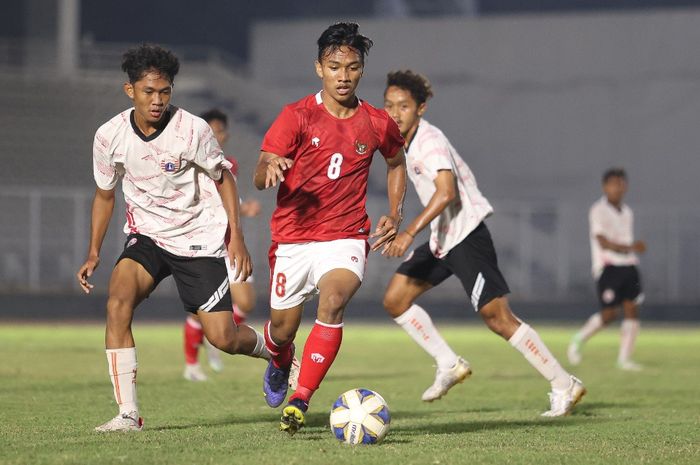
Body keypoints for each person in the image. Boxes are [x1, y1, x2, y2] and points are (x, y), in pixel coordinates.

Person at [77, 44, 269, 432]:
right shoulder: (109, 136)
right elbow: (104, 194)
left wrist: (236, 237)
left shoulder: (192, 129)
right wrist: (94, 251)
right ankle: (128, 414)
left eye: (165, 92)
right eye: (149, 92)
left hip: (199, 238)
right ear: (129, 90)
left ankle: (279, 355)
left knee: (223, 339)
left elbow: (225, 178)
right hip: (147, 236)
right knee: (117, 304)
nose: (158, 100)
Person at [380, 70, 585, 417]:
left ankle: (564, 384)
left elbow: (447, 193)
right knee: (395, 300)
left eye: (403, 106)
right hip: (442, 238)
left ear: (421, 109)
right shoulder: (403, 142)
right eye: (388, 105)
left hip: (466, 235)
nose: (394, 113)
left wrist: (408, 232)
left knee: (498, 318)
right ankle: (448, 363)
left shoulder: (428, 141)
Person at [253, 22, 407, 435]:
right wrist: (271, 168)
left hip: (346, 235)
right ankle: (281, 360)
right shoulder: (296, 116)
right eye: (335, 66)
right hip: (293, 239)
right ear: (319, 68)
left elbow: (396, 162)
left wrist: (395, 210)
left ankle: (300, 399)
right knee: (282, 331)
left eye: (352, 67)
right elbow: (261, 168)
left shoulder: (376, 122)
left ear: (362, 71)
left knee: (334, 300)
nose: (344, 76)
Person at [183, 108, 262, 381]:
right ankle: (192, 365)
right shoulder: (190, 163)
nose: (216, 135)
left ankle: (216, 336)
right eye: (211, 130)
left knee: (246, 302)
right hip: (204, 245)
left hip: (231, 244)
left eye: (220, 130)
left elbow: (226, 197)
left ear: (226, 134)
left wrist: (243, 208)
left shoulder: (230, 165)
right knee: (201, 309)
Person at [567, 168, 646, 371]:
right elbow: (603, 242)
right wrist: (631, 247)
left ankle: (624, 360)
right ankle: (578, 339)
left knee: (632, 310)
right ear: (605, 187)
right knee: (610, 314)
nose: (618, 188)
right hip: (608, 267)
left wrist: (631, 251)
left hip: (629, 266)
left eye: (621, 183)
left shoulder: (627, 212)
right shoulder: (598, 210)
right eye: (613, 184)